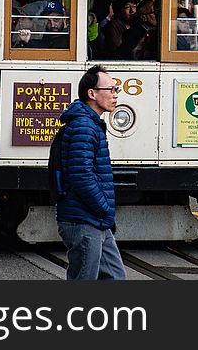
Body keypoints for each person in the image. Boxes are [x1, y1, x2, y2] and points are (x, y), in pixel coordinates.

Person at [56, 65, 126, 280]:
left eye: (116, 90)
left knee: (114, 276)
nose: (115, 95)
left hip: (95, 219)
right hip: (84, 219)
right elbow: (81, 176)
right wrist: (104, 208)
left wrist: (104, 214)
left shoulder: (91, 124)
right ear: (92, 94)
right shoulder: (83, 126)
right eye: (111, 89)